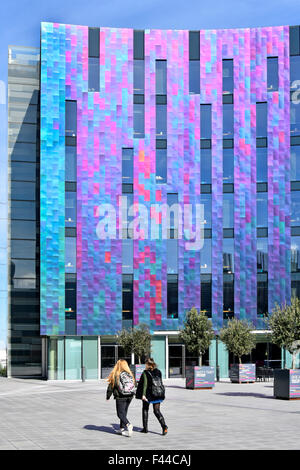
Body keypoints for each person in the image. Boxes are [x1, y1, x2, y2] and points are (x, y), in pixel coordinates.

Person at [136, 358, 168, 435]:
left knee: (145, 409)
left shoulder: (145, 372)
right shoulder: (158, 371)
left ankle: (145, 428)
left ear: (147, 364)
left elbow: (144, 385)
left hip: (149, 394)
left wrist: (143, 395)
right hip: (158, 393)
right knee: (156, 411)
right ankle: (164, 426)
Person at [106, 359, 136, 436]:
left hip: (121, 396)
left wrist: (108, 396)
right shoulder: (129, 373)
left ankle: (128, 425)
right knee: (124, 413)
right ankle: (121, 429)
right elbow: (134, 384)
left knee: (120, 414)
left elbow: (111, 387)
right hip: (130, 395)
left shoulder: (116, 374)